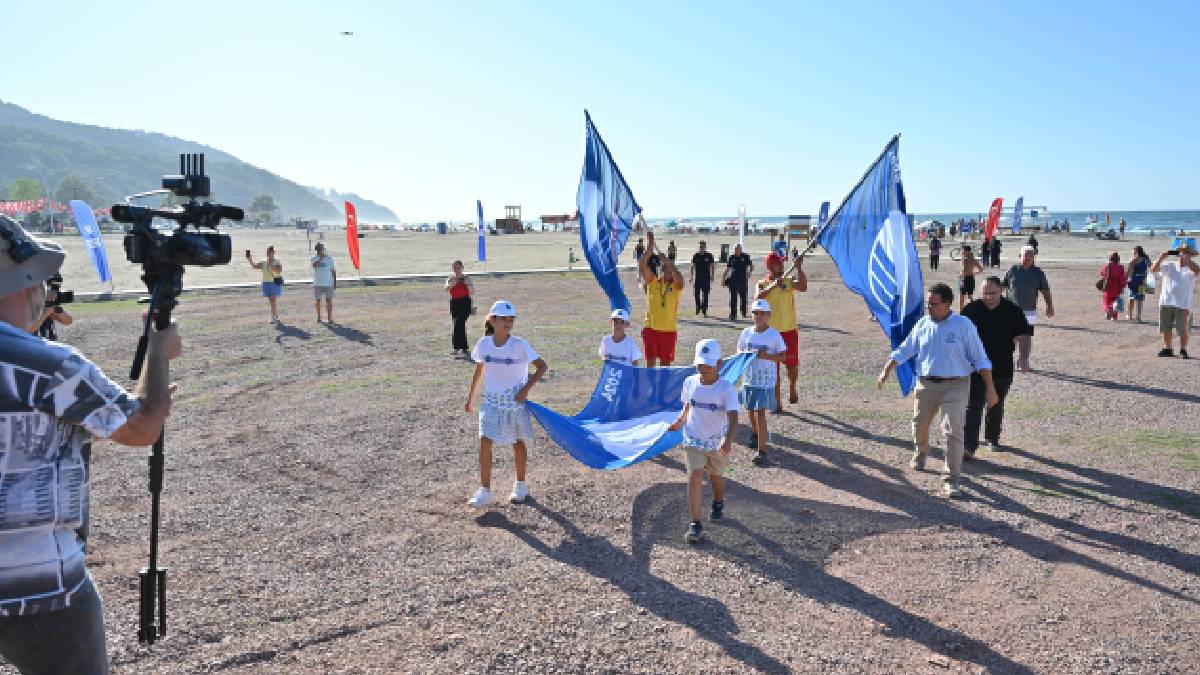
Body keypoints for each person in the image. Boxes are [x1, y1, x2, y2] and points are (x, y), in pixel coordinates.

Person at [0, 214, 182, 674]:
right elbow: (142, 428)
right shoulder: (47, 364)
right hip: (41, 588)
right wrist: (158, 352)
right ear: (19, 284)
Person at [876, 283, 998, 498]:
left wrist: (990, 389)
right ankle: (922, 450)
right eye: (927, 304)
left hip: (956, 385)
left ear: (947, 304)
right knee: (919, 424)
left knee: (953, 432)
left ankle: (952, 479)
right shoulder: (923, 324)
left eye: (933, 304)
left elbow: (980, 358)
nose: (928, 308)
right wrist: (886, 370)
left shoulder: (963, 326)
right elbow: (906, 348)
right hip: (926, 384)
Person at [465, 300, 548, 507]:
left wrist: (524, 391)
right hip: (492, 403)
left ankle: (520, 485)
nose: (508, 323)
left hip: (514, 404)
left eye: (511, 319)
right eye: (503, 319)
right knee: (485, 441)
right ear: (493, 320)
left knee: (517, 443)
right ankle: (485, 490)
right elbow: (480, 369)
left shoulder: (520, 345)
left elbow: (542, 367)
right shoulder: (484, 344)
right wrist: (471, 398)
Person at [667, 339, 739, 544]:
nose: (703, 368)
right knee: (695, 476)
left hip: (716, 443)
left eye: (708, 363)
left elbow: (734, 417)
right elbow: (688, 405)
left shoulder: (726, 389)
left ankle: (718, 502)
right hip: (693, 439)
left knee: (716, 477)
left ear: (720, 364)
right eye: (700, 363)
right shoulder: (689, 383)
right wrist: (680, 421)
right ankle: (695, 524)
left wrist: (728, 440)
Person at [961, 277, 1031, 459]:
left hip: (1002, 366)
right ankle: (969, 446)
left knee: (995, 403)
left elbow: (1024, 335)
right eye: (985, 293)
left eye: (992, 293)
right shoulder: (970, 310)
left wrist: (1023, 358)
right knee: (974, 405)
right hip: (974, 367)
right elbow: (959, 336)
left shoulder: (1013, 311)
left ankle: (992, 438)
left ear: (1001, 291)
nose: (989, 297)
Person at [737, 299, 786, 466]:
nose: (758, 316)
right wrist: (746, 354)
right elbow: (740, 352)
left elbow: (783, 356)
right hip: (749, 378)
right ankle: (755, 433)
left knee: (760, 412)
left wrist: (766, 356)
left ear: (769, 316)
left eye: (762, 313)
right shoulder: (746, 332)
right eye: (755, 313)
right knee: (750, 409)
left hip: (765, 381)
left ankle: (762, 450)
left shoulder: (774, 335)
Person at [756, 252, 806, 412]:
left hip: (789, 331)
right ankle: (777, 402)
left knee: (791, 367)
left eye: (782, 262)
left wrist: (798, 268)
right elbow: (757, 298)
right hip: (772, 334)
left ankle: (792, 386)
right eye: (778, 263)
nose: (782, 265)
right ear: (770, 266)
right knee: (773, 370)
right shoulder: (762, 283)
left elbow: (803, 287)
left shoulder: (788, 281)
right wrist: (773, 285)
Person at [1002, 246, 1055, 371]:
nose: (1029, 257)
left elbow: (1045, 290)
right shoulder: (1013, 270)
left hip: (1029, 310)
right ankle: (1006, 361)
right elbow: (1003, 287)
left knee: (1026, 336)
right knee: (1010, 337)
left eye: (1031, 255)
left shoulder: (1038, 272)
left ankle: (1023, 361)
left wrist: (1049, 306)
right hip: (1011, 310)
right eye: (1026, 254)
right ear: (1019, 256)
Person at [639, 231, 684, 366]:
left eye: (669, 268)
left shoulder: (675, 286)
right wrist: (650, 246)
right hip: (650, 329)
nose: (666, 270)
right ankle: (652, 387)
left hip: (668, 330)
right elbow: (643, 265)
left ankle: (662, 387)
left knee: (665, 366)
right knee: (650, 365)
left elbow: (680, 280)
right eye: (663, 268)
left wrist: (668, 262)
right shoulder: (653, 282)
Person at [1150, 243, 1198, 358]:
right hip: (1166, 301)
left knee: (1183, 328)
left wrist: (1188, 260)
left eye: (1187, 252)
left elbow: (1198, 271)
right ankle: (1168, 348)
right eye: (1182, 252)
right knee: (1166, 327)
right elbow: (1153, 269)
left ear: (1191, 255)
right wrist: (1162, 256)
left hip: (1183, 303)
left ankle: (1183, 349)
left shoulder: (1192, 268)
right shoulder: (1170, 265)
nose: (1184, 254)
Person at [445, 260, 475, 357]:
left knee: (458, 323)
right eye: (454, 267)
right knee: (458, 324)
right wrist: (451, 285)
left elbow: (472, 292)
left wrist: (467, 284)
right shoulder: (450, 278)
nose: (456, 269)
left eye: (458, 267)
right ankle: (464, 348)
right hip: (454, 303)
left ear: (462, 267)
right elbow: (446, 289)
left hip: (465, 303)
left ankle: (456, 348)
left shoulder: (466, 278)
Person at [247, 245, 283, 323]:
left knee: (273, 300)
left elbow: (279, 270)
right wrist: (250, 260)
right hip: (266, 283)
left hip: (274, 282)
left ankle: (273, 317)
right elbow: (255, 267)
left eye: (271, 253)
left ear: (273, 253)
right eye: (268, 253)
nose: (269, 254)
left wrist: (271, 266)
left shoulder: (277, 261)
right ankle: (275, 314)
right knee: (270, 300)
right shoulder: (263, 262)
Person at [35, 273, 74, 341]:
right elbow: (32, 327)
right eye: (51, 288)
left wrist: (57, 310)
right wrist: (46, 312)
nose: (55, 293)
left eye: (56, 289)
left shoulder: (49, 305)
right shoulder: (30, 306)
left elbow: (68, 321)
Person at [722, 243, 753, 319]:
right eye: (735, 249)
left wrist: (749, 272)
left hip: (742, 280)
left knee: (743, 297)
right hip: (733, 280)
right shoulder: (731, 257)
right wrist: (723, 278)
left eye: (738, 249)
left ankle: (743, 312)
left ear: (741, 249)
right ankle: (733, 314)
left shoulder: (745, 256)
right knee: (733, 298)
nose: (737, 250)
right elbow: (728, 268)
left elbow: (751, 266)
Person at [310, 242, 337, 323]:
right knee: (318, 301)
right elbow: (314, 266)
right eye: (318, 249)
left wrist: (335, 282)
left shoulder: (329, 258)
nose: (320, 250)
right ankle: (319, 317)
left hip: (328, 283)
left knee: (329, 301)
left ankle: (330, 318)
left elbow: (333, 271)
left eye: (321, 248)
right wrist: (321, 258)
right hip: (318, 283)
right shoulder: (313, 258)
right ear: (316, 250)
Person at [689, 241, 716, 317]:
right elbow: (692, 266)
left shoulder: (709, 255)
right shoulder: (696, 255)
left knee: (706, 295)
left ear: (705, 247)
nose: (701, 248)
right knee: (696, 294)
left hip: (706, 278)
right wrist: (691, 276)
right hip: (698, 278)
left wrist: (712, 275)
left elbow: (712, 266)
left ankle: (704, 310)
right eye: (700, 246)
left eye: (703, 246)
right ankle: (698, 307)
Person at [1098, 251, 1127, 321]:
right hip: (1117, 287)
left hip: (1108, 285)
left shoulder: (1107, 266)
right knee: (1116, 301)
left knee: (1106, 301)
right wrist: (1123, 287)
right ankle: (1114, 316)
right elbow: (1122, 278)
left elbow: (1102, 275)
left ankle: (1108, 310)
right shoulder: (1121, 267)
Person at [1126, 245, 1151, 322]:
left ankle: (1129, 315)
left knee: (1131, 298)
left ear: (1136, 252)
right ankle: (1138, 317)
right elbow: (1151, 266)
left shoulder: (1133, 260)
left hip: (1134, 280)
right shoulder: (1146, 259)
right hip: (1142, 280)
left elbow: (1129, 272)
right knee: (1140, 299)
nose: (1132, 253)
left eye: (1133, 251)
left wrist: (1126, 279)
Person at [957, 245, 984, 311]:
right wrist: (974, 273)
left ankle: (961, 311)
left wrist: (961, 275)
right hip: (971, 278)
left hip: (965, 278)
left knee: (962, 296)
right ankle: (972, 310)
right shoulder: (973, 259)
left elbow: (964, 270)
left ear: (967, 251)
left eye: (963, 251)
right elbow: (980, 269)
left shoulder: (965, 259)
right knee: (970, 295)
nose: (962, 252)